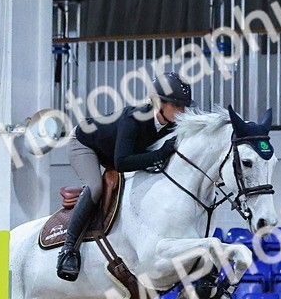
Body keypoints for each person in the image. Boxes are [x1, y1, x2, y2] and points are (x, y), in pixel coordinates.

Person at [56, 71, 194, 281]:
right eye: (177, 106)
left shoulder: (172, 127)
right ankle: (68, 250)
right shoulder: (134, 119)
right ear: (158, 103)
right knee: (95, 187)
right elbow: (122, 163)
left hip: (115, 151)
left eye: (184, 107)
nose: (182, 111)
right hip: (85, 143)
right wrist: (160, 154)